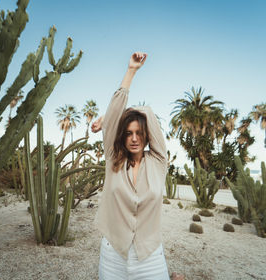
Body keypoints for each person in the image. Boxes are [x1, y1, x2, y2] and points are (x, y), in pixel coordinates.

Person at [91, 52, 184, 280]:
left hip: (149, 256)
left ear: (147, 135)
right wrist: (130, 71)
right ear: (122, 136)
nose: (134, 138)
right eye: (129, 133)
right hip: (114, 254)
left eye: (139, 133)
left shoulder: (158, 161)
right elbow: (113, 117)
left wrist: (127, 114)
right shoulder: (114, 159)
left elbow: (149, 115)